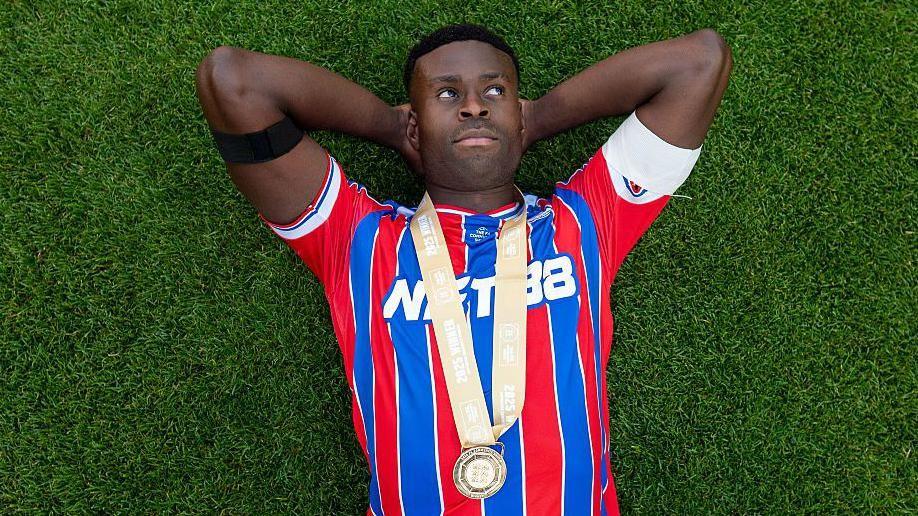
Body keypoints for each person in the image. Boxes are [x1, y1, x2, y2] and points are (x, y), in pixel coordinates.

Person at [195, 23, 731, 516]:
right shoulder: (359, 240)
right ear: (416, 119)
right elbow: (234, 82)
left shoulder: (586, 222)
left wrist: (535, 118)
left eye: (494, 92)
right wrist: (391, 126)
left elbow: (699, 63)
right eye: (447, 94)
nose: (475, 107)